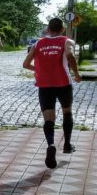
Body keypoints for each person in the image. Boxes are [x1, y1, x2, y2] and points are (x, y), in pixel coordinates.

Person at [22, 17, 81, 169]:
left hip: (45, 84)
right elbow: (70, 56)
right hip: (63, 83)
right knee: (67, 112)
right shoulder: (67, 41)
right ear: (62, 29)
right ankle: (67, 144)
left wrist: (40, 70)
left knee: (49, 118)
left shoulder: (38, 43)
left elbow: (26, 64)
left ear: (48, 29)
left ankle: (51, 144)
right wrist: (76, 73)